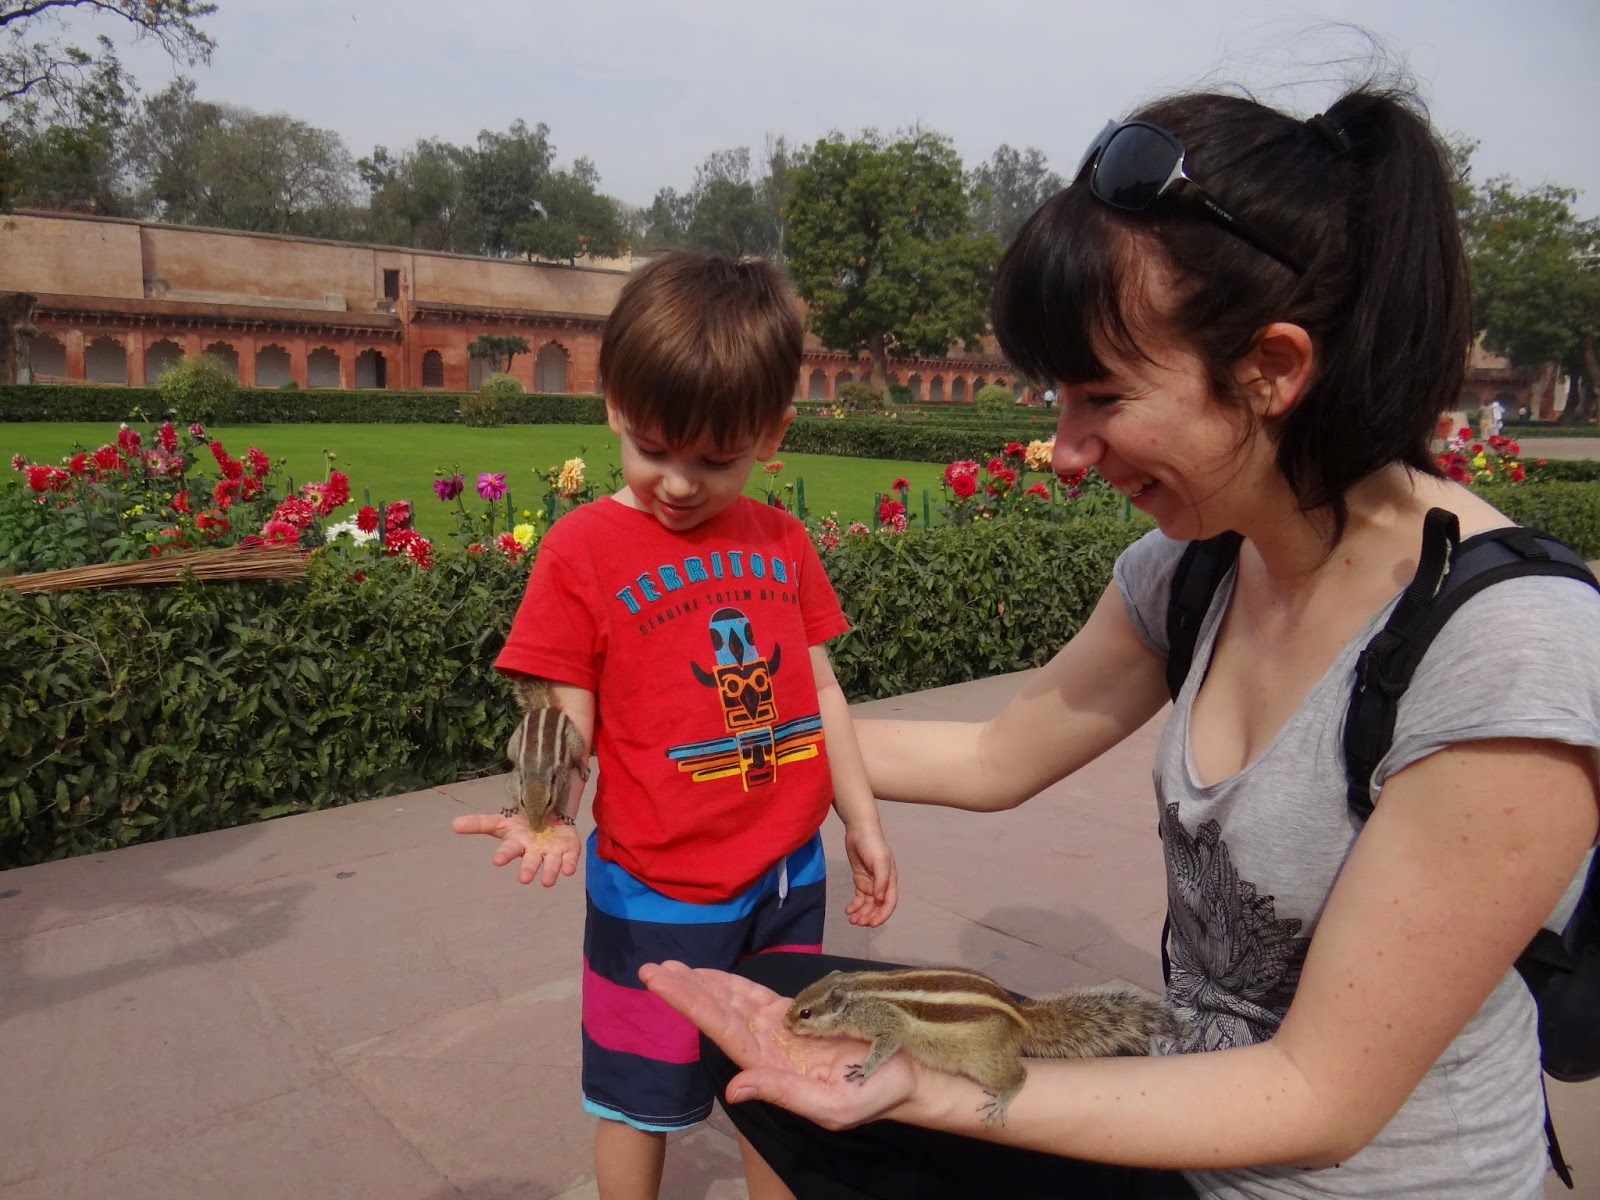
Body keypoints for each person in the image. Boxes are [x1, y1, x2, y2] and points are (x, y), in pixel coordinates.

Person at [641, 82, 1600, 1200]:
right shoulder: (1196, 566)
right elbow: (1001, 753)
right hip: (1194, 1134)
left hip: (1348, 1173)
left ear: (1273, 369)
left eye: (1099, 396)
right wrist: (698, 738)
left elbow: (1321, 1097)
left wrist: (937, 1091)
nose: (1061, 450)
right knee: (762, 1012)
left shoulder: (1503, 648)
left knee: (844, 1095)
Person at [453, 250, 898, 1200]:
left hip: (787, 876)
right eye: (655, 449)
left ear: (772, 433)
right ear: (613, 403)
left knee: (782, 1084)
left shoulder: (782, 542)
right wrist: (543, 809)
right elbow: (564, 709)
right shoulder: (581, 550)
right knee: (636, 1093)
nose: (682, 483)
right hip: (657, 891)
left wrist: (857, 816)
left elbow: (821, 693)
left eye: (716, 459)